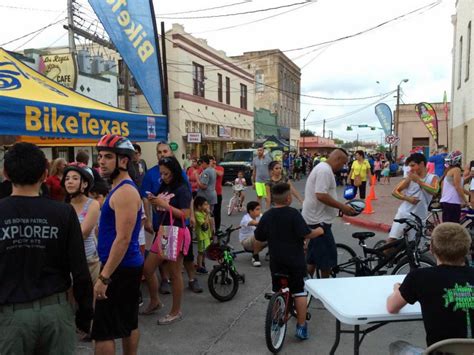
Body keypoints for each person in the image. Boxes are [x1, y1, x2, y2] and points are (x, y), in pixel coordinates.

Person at [0, 142, 93, 353]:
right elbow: (80, 271)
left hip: (10, 316)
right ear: (44, 174)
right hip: (56, 313)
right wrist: (84, 315)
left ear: (6, 173)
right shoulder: (63, 213)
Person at [91, 134, 143, 354]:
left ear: (123, 161)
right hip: (124, 266)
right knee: (127, 322)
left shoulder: (125, 192)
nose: (101, 161)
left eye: (108, 156)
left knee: (103, 330)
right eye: (100, 156)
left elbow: (123, 239)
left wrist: (104, 277)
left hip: (119, 268)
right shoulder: (119, 189)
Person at [387, 223, 474, 350]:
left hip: (440, 352)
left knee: (397, 347)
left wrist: (397, 289)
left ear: (432, 249)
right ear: (467, 249)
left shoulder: (420, 277)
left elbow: (391, 307)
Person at [255, 183, 324, 340]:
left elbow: (259, 237)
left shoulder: (267, 215)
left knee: (278, 290)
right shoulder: (293, 214)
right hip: (295, 262)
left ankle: (275, 320)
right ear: (288, 198)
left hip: (276, 262)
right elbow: (306, 233)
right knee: (299, 292)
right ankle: (301, 327)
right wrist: (319, 231)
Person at [140, 142, 202, 295]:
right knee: (163, 257)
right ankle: (164, 281)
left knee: (185, 256)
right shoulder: (151, 174)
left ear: (171, 153)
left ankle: (192, 279)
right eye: (159, 152)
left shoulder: (179, 174)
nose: (162, 154)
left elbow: (188, 198)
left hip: (179, 225)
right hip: (162, 224)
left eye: (165, 151)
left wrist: (192, 215)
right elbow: (147, 199)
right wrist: (148, 217)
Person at [143, 156, 192, 325]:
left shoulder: (182, 188)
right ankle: (155, 301)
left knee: (174, 273)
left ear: (174, 172)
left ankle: (175, 311)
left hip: (176, 231)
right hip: (163, 231)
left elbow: (185, 215)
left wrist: (163, 205)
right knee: (148, 268)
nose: (163, 176)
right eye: (161, 173)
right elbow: (160, 204)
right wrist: (154, 200)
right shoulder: (165, 185)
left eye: (166, 173)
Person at [303, 148, 356, 278]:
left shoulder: (323, 168)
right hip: (319, 222)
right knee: (326, 260)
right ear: (337, 159)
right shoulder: (324, 170)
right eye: (343, 163)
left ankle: (303, 286)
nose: (342, 167)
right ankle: (323, 288)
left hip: (316, 219)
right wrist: (341, 207)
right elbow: (321, 195)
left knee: (314, 258)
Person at [62, 163, 101, 284]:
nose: (69, 181)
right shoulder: (63, 206)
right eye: (67, 179)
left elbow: (83, 233)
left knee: (89, 299)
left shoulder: (93, 204)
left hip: (89, 260)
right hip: (67, 261)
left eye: (75, 178)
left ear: (84, 184)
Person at [387, 153, 439, 243]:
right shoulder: (409, 178)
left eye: (413, 165)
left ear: (422, 164)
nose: (411, 168)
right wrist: (408, 198)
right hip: (404, 213)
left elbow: (434, 191)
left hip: (420, 217)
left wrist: (418, 181)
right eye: (410, 166)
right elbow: (395, 192)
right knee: (392, 239)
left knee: (415, 244)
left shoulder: (433, 178)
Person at [440, 151, 469, 223]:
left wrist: (469, 194)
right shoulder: (456, 170)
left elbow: (456, 186)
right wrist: (465, 200)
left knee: (448, 227)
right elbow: (457, 187)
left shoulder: (449, 171)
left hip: (446, 202)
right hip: (452, 202)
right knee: (453, 227)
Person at [239, 201, 266, 267]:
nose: (260, 211)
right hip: (246, 242)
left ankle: (271, 254)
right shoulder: (246, 218)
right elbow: (256, 223)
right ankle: (255, 257)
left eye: (260, 209)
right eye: (257, 209)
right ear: (250, 211)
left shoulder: (260, 216)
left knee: (273, 234)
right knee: (259, 233)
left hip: (256, 240)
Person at [194, 196, 212, 274]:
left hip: (206, 235)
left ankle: (202, 263)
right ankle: (199, 267)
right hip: (202, 236)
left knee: (205, 251)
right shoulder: (197, 214)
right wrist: (207, 215)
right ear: (199, 206)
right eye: (205, 204)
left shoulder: (203, 212)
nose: (207, 206)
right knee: (201, 252)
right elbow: (204, 225)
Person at [252, 146, 273, 211]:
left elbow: (271, 170)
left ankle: (268, 210)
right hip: (258, 180)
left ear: (263, 151)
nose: (259, 151)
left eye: (260, 150)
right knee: (259, 196)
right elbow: (254, 171)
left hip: (267, 181)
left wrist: (272, 179)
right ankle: (259, 211)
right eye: (258, 150)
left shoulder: (268, 159)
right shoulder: (255, 159)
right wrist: (253, 182)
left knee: (266, 197)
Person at [210, 156, 224, 231]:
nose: (211, 162)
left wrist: (212, 168)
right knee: (208, 211)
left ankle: (217, 228)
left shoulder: (219, 168)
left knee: (217, 211)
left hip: (217, 193)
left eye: (212, 160)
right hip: (208, 193)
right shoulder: (206, 169)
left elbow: (220, 174)